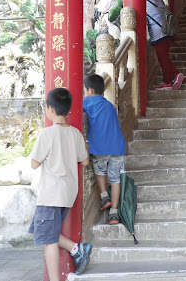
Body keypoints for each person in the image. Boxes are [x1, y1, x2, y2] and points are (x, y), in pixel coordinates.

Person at [29, 88, 92, 279]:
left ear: (49, 109)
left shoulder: (46, 134)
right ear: (68, 109)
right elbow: (85, 161)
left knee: (48, 240)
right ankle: (76, 248)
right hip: (67, 194)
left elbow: (34, 164)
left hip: (50, 195)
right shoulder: (75, 134)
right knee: (37, 232)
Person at [83, 74, 127, 225]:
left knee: (99, 170)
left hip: (101, 148)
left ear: (90, 90)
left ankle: (104, 197)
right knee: (115, 180)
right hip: (117, 147)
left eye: (84, 90)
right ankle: (114, 214)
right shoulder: (109, 105)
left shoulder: (87, 102)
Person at [146, 0, 184, 90]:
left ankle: (168, 81)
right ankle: (174, 76)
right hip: (167, 30)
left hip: (158, 34)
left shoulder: (146, 3)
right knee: (165, 58)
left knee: (163, 59)